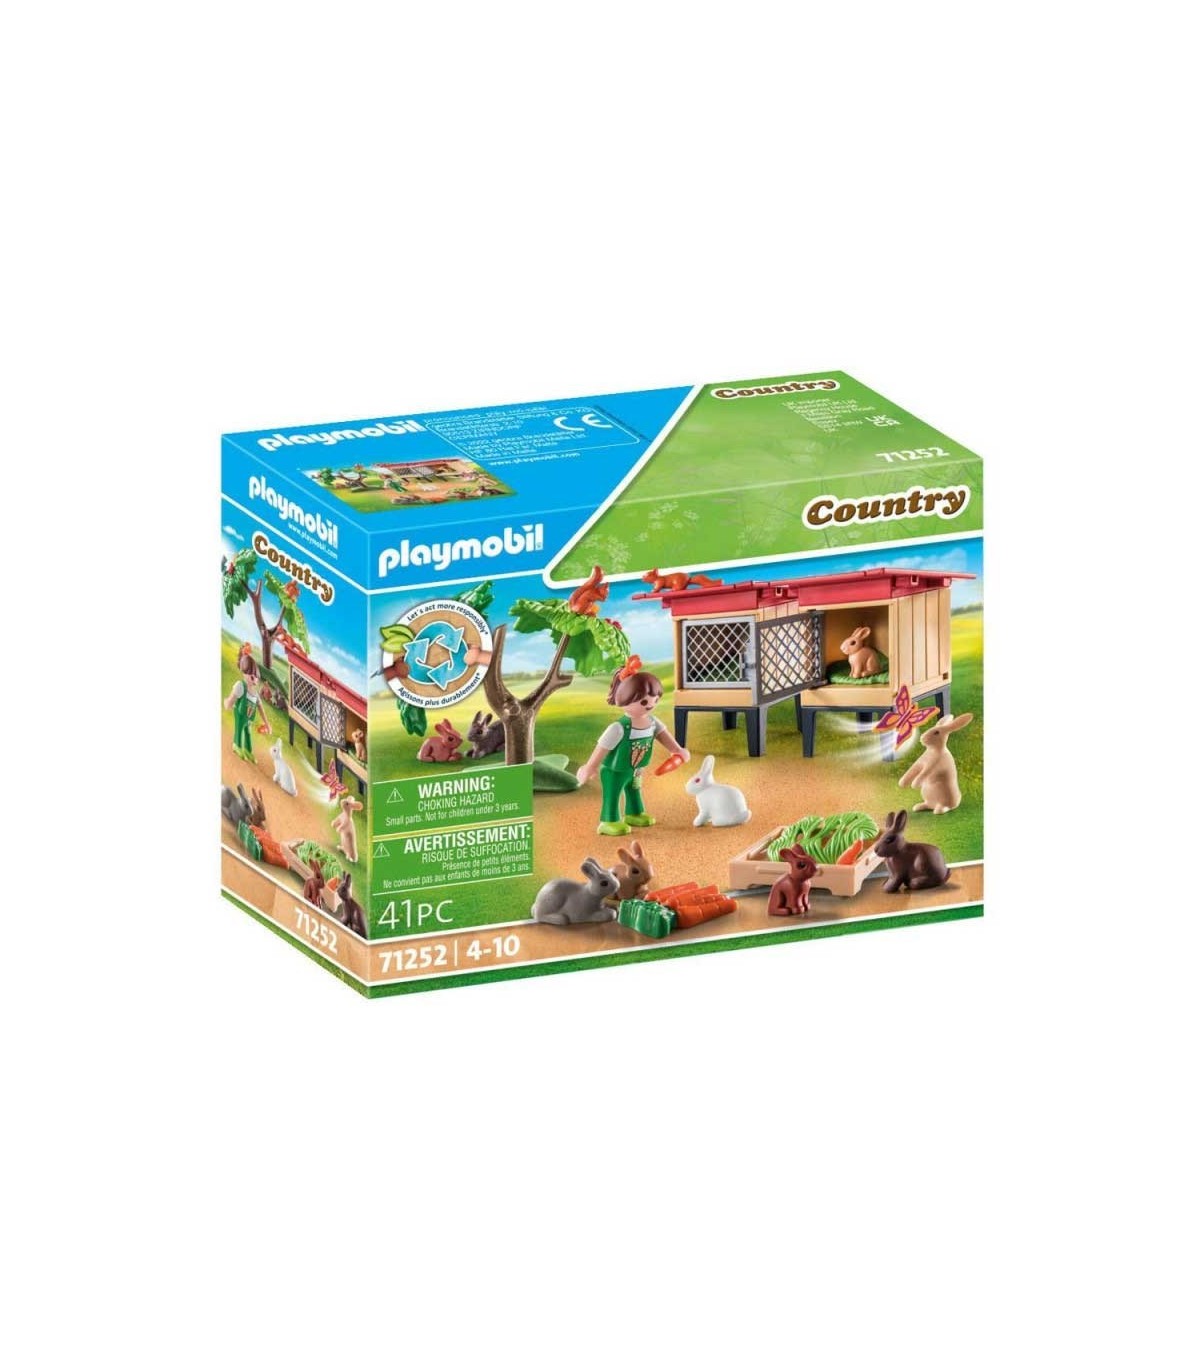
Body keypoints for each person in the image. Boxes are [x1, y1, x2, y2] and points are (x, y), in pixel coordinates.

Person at [576, 660, 689, 837]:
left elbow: (663, 735)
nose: (650, 704)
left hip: (636, 768)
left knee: (634, 790)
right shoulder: (618, 728)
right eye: (644, 701)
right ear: (623, 699)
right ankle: (609, 821)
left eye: (655, 699)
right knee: (613, 794)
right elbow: (602, 748)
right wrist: (590, 766)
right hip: (614, 771)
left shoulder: (652, 722)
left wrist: (677, 750)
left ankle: (634, 813)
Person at [225, 644, 267, 761]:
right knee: (239, 729)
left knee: (248, 732)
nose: (255, 680)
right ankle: (237, 745)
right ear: (244, 673)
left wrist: (267, 723)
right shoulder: (241, 686)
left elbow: (260, 708)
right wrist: (228, 703)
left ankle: (248, 750)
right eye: (252, 677)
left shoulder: (255, 694)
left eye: (257, 678)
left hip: (249, 718)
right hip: (240, 714)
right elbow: (232, 698)